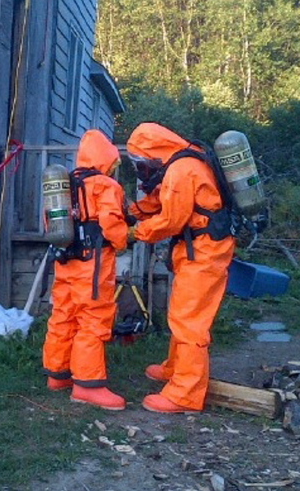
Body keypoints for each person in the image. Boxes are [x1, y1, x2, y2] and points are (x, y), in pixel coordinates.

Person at [126, 122, 235, 414]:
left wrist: (135, 232)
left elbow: (170, 220)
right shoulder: (184, 160)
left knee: (190, 321)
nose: (141, 168)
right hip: (199, 249)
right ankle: (175, 368)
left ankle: (185, 394)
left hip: (204, 251)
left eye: (141, 161)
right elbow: (162, 198)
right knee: (181, 312)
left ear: (153, 152)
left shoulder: (181, 169)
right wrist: (133, 211)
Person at [42, 129, 129, 410]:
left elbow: (51, 223)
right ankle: (87, 386)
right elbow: (113, 225)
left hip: (66, 261)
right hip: (94, 263)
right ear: (107, 159)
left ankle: (58, 375)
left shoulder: (65, 183)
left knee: (63, 315)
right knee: (93, 319)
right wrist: (125, 240)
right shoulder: (106, 186)